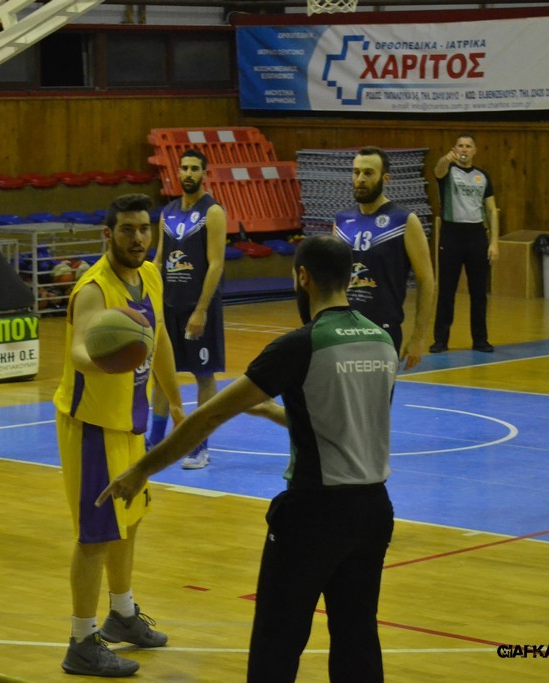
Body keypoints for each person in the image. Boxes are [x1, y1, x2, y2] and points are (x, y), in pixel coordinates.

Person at [99, 234, 397, 682]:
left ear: (302, 277)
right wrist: (275, 412)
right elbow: (346, 423)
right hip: (373, 512)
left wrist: (142, 468)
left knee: (277, 642)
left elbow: (208, 416)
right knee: (357, 640)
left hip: (314, 513)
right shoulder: (382, 340)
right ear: (350, 278)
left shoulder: (301, 344)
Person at [54, 193, 186, 677]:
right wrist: (104, 358)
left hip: (130, 423)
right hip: (93, 426)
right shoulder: (93, 289)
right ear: (108, 234)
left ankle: (123, 614)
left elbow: (160, 338)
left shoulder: (150, 274)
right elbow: (78, 350)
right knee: (95, 536)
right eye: (127, 229)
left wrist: (175, 401)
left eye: (144, 228)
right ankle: (81, 642)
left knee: (129, 522)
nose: (138, 238)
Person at [148, 148, 227, 469]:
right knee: (162, 375)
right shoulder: (167, 212)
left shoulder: (213, 212)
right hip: (169, 306)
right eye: (184, 168)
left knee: (203, 376)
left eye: (195, 168)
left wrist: (201, 309)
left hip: (198, 307)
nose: (189, 173)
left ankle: (200, 447)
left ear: (204, 174)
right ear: (177, 172)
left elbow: (216, 264)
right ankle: (155, 441)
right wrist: (149, 300)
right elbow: (158, 260)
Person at [332, 146, 435, 370]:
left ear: (385, 178)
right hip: (341, 327)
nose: (360, 179)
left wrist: (418, 337)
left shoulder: (404, 220)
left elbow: (426, 280)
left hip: (382, 329)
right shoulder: (341, 221)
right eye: (356, 172)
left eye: (368, 173)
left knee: (375, 394)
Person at [429, 133, 499, 353]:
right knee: (446, 290)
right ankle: (441, 340)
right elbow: (437, 170)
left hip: (476, 235)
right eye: (460, 145)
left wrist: (494, 242)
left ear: (474, 151)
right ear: (455, 149)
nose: (464, 149)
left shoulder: (482, 176)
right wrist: (445, 159)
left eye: (468, 146)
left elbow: (491, 210)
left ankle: (480, 339)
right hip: (452, 234)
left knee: (478, 292)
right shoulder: (447, 171)